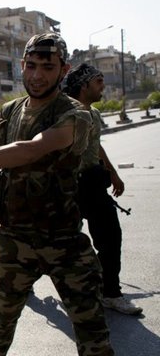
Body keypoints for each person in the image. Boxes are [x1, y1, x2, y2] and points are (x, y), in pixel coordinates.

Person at [0, 33, 115, 355]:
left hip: (64, 241)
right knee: (2, 321)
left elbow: (31, 150)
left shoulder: (75, 114)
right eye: (31, 65)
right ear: (22, 65)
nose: (37, 75)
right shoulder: (10, 111)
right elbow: (1, 158)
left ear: (63, 69)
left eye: (47, 67)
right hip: (15, 238)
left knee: (93, 333)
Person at [63, 63, 142, 315]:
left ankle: (110, 293)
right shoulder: (64, 114)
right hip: (67, 188)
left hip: (94, 184)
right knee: (61, 243)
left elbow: (96, 146)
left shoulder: (94, 115)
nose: (103, 87)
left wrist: (113, 172)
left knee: (110, 237)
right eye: (98, 82)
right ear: (84, 85)